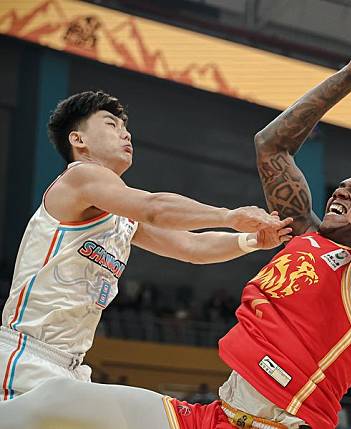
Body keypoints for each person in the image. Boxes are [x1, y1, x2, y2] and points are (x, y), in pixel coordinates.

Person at [0, 26, 351, 429]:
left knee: (61, 400)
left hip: (278, 423)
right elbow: (270, 147)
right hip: (213, 413)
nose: (342, 191)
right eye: (342, 185)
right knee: (59, 402)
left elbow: (189, 248)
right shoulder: (305, 234)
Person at [0, 90, 292, 401]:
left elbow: (190, 247)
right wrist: (228, 215)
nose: (125, 133)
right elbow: (155, 207)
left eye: (125, 127)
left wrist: (251, 240)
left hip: (70, 366)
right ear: (78, 140)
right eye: (111, 124)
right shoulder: (80, 179)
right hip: (26, 354)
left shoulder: (121, 216)